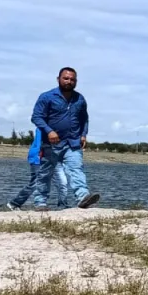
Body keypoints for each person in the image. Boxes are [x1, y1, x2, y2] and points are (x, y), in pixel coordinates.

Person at [31, 67, 101, 211]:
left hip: (73, 142)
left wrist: (83, 134)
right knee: (46, 173)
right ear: (59, 79)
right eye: (66, 78)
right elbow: (36, 117)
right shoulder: (47, 97)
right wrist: (49, 131)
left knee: (76, 169)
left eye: (72, 79)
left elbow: (84, 118)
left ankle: (83, 198)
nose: (69, 81)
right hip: (51, 143)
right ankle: (40, 202)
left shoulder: (79, 99)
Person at [5, 129, 68, 211]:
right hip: (38, 156)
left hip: (51, 157)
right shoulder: (44, 126)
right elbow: (41, 141)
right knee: (36, 183)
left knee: (61, 182)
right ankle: (15, 203)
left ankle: (62, 206)